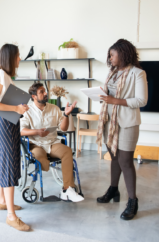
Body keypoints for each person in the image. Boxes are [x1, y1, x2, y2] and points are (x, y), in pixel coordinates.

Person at [96, 39, 148, 220]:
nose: (110, 58)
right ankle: (113, 190)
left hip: (127, 123)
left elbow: (142, 100)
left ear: (123, 53)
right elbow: (110, 95)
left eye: (112, 55)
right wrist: (102, 95)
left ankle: (133, 201)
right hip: (109, 121)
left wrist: (115, 101)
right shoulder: (113, 72)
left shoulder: (138, 73)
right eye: (109, 55)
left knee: (125, 160)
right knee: (114, 157)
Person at [0, 44, 30, 231]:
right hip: (6, 124)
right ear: (10, 57)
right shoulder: (1, 75)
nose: (20, 59)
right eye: (18, 56)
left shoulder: (6, 76)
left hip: (9, 123)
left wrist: (18, 107)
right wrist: (16, 108)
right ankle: (11, 216)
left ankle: (2, 201)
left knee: (3, 162)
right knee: (9, 165)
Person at [20, 82, 84, 202]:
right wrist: (36, 132)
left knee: (67, 151)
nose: (45, 94)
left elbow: (63, 128)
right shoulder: (27, 111)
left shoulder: (54, 108)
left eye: (45, 91)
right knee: (40, 157)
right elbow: (21, 131)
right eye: (41, 92)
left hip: (52, 143)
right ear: (33, 96)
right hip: (36, 144)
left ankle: (67, 190)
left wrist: (66, 114)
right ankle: (45, 164)